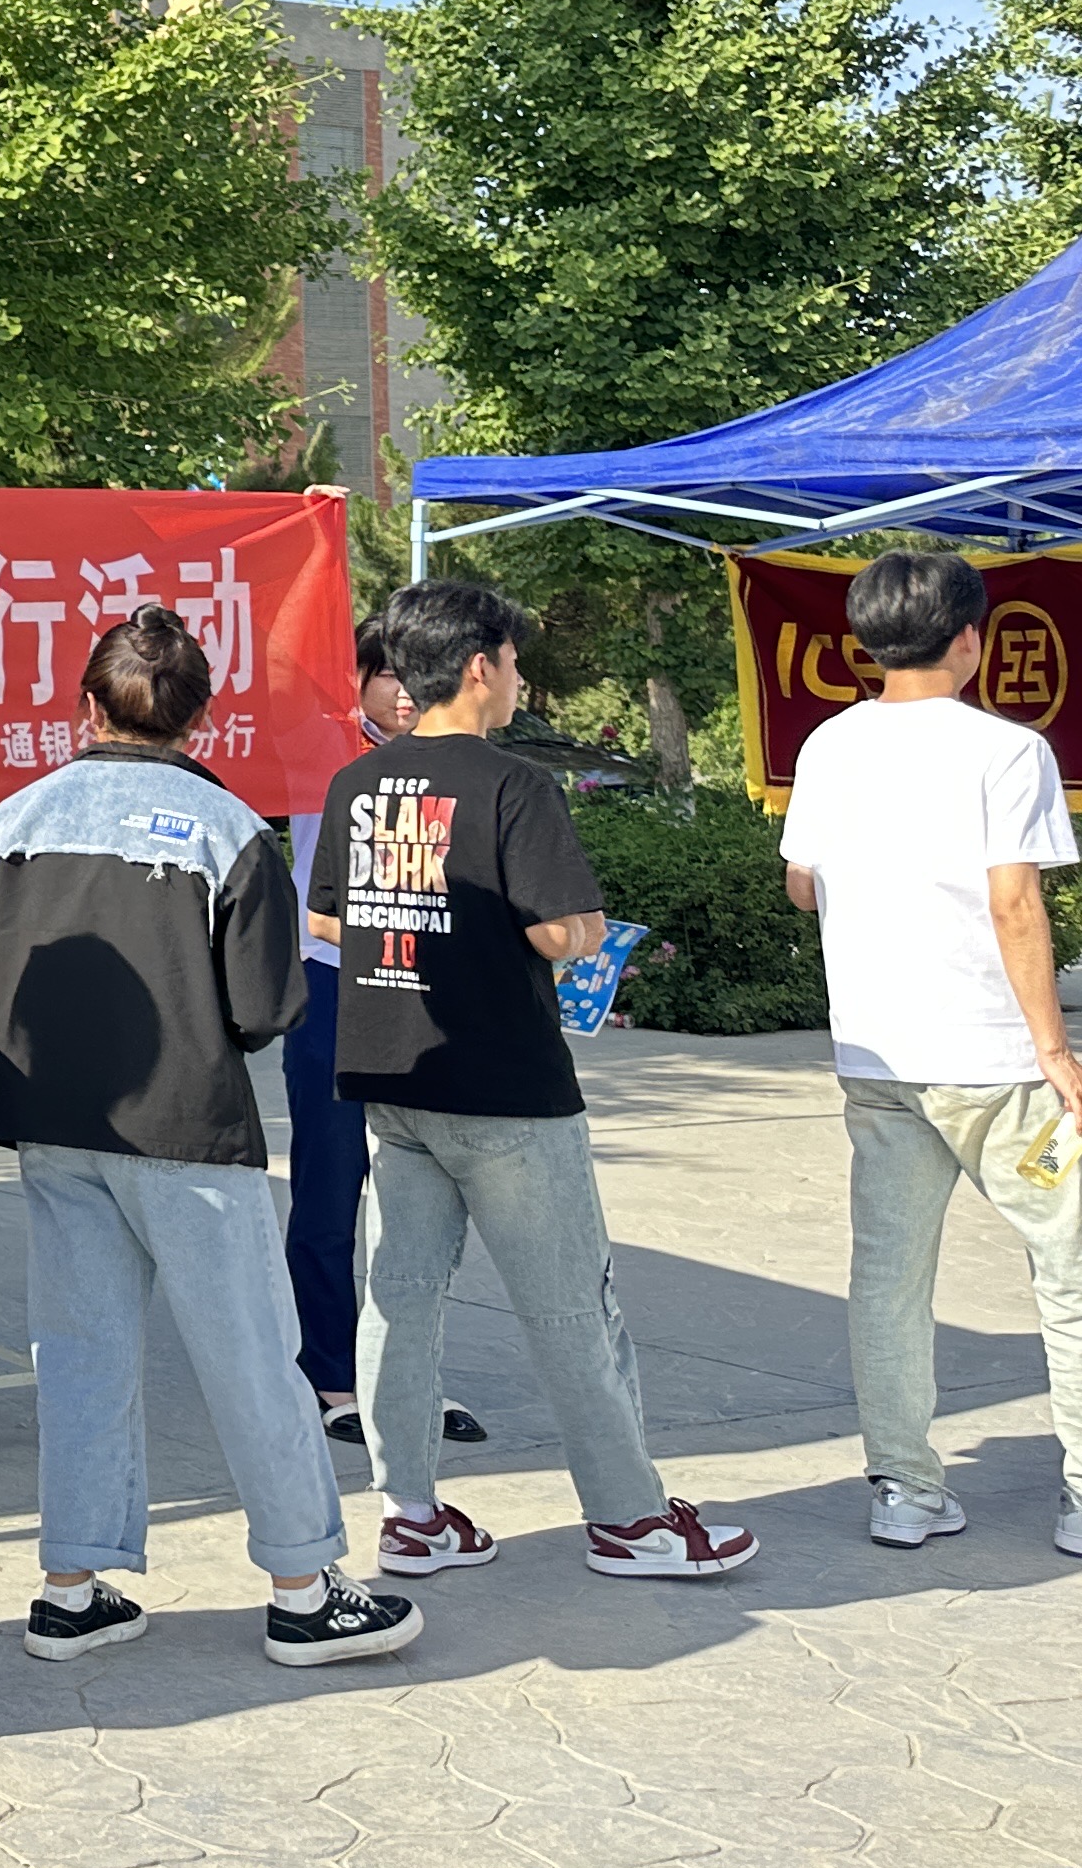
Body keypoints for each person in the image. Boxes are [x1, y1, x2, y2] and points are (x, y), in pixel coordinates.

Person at [0, 607, 422, 1671]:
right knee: (251, 1354)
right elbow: (265, 1007)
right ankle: (302, 1589)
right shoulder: (227, 829)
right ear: (200, 718)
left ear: (86, 706)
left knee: (80, 1354)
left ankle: (71, 1589)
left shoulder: (14, 819)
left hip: (52, 1127)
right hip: (186, 1130)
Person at [309, 579, 756, 1582]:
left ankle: (409, 1513)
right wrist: (587, 935)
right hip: (505, 1083)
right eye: (514, 662)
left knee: (400, 1300)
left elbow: (330, 919)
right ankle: (630, 1518)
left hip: (393, 1073)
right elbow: (559, 931)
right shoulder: (514, 786)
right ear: (479, 666)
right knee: (570, 1307)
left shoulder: (359, 784)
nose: (518, 679)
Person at [778, 551, 1082, 1554]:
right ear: (969, 640)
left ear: (868, 642)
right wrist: (1055, 1047)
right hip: (996, 1062)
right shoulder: (1008, 751)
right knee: (1069, 1269)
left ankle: (905, 1490)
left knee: (890, 1279)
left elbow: (802, 885)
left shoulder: (828, 744)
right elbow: (1015, 902)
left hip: (878, 1058)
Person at [287, 620, 487, 1453]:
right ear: (355, 681)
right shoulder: (319, 751)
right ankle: (330, 1375)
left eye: (414, 675)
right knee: (331, 1189)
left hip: (425, 986)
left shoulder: (458, 760)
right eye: (384, 676)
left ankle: (406, 1376)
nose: (402, 693)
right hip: (334, 984)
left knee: (418, 1199)